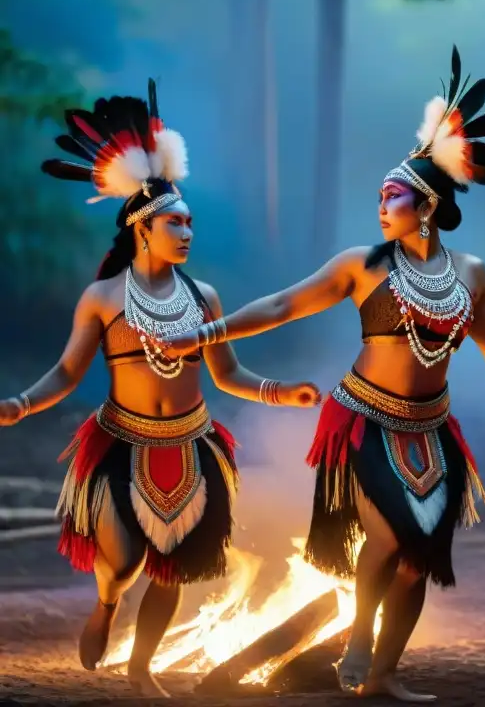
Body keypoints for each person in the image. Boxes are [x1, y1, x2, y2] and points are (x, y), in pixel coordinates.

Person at [158, 46, 485, 701]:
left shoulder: (471, 274)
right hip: (363, 420)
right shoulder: (361, 264)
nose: (380, 205)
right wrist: (206, 332)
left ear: (425, 203)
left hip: (433, 431)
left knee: (418, 560)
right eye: (378, 196)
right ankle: (360, 636)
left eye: (390, 195)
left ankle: (387, 672)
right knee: (391, 536)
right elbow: (281, 305)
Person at [0, 81, 320, 697]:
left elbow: (227, 374)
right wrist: (21, 403)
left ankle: (143, 668)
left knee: (173, 571)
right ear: (142, 227)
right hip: (122, 442)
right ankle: (105, 606)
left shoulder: (206, 299)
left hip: (194, 446)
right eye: (175, 221)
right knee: (122, 562)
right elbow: (68, 372)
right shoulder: (102, 300)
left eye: (191, 222)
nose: (187, 231)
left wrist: (282, 393)